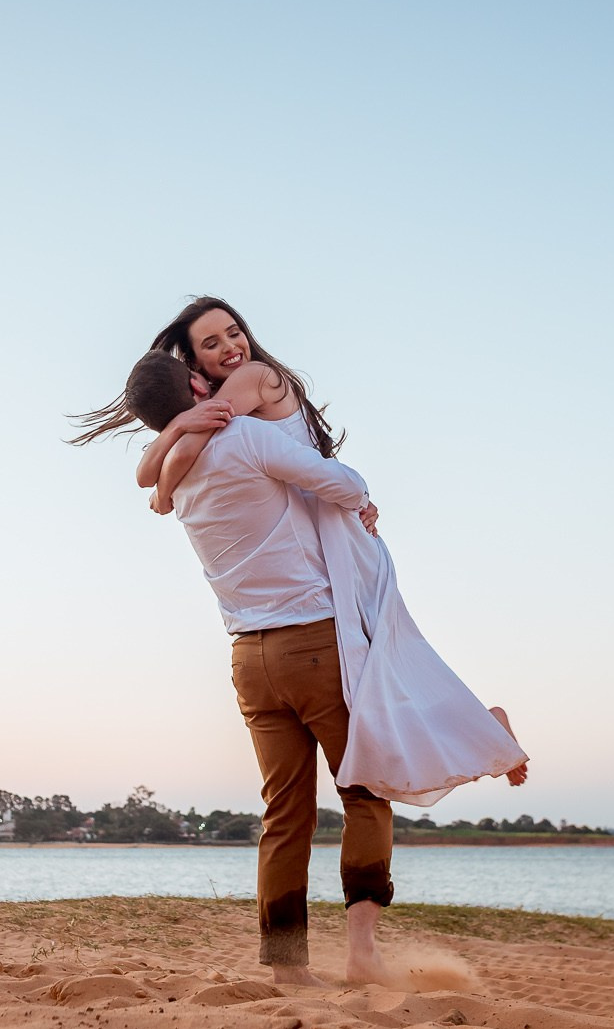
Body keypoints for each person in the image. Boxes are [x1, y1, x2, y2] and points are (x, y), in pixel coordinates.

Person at [121, 297, 528, 802]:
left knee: (379, 670)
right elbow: (163, 458)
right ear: (195, 367)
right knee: (379, 671)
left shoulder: (254, 378)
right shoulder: (220, 407)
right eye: (212, 344)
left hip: (334, 526)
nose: (230, 347)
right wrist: (180, 430)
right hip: (326, 525)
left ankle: (483, 729)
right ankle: (484, 730)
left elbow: (175, 458)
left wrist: (165, 488)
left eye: (233, 332)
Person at [76, 351, 391, 985]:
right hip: (313, 642)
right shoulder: (244, 435)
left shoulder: (177, 472)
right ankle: (362, 954)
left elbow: (152, 478)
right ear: (197, 387)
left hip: (248, 657)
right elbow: (348, 485)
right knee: (363, 791)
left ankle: (286, 969)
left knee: (284, 813)